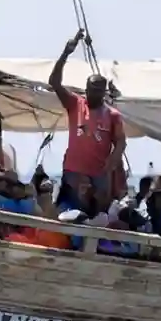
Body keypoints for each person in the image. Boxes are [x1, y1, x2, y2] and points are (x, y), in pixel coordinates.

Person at [49, 29, 126, 208]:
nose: (92, 94)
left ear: (103, 92)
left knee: (97, 214)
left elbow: (121, 143)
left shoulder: (112, 115)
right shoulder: (75, 103)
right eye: (90, 89)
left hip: (98, 175)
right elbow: (54, 82)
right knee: (67, 212)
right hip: (73, 173)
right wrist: (66, 53)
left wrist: (110, 166)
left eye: (97, 91)